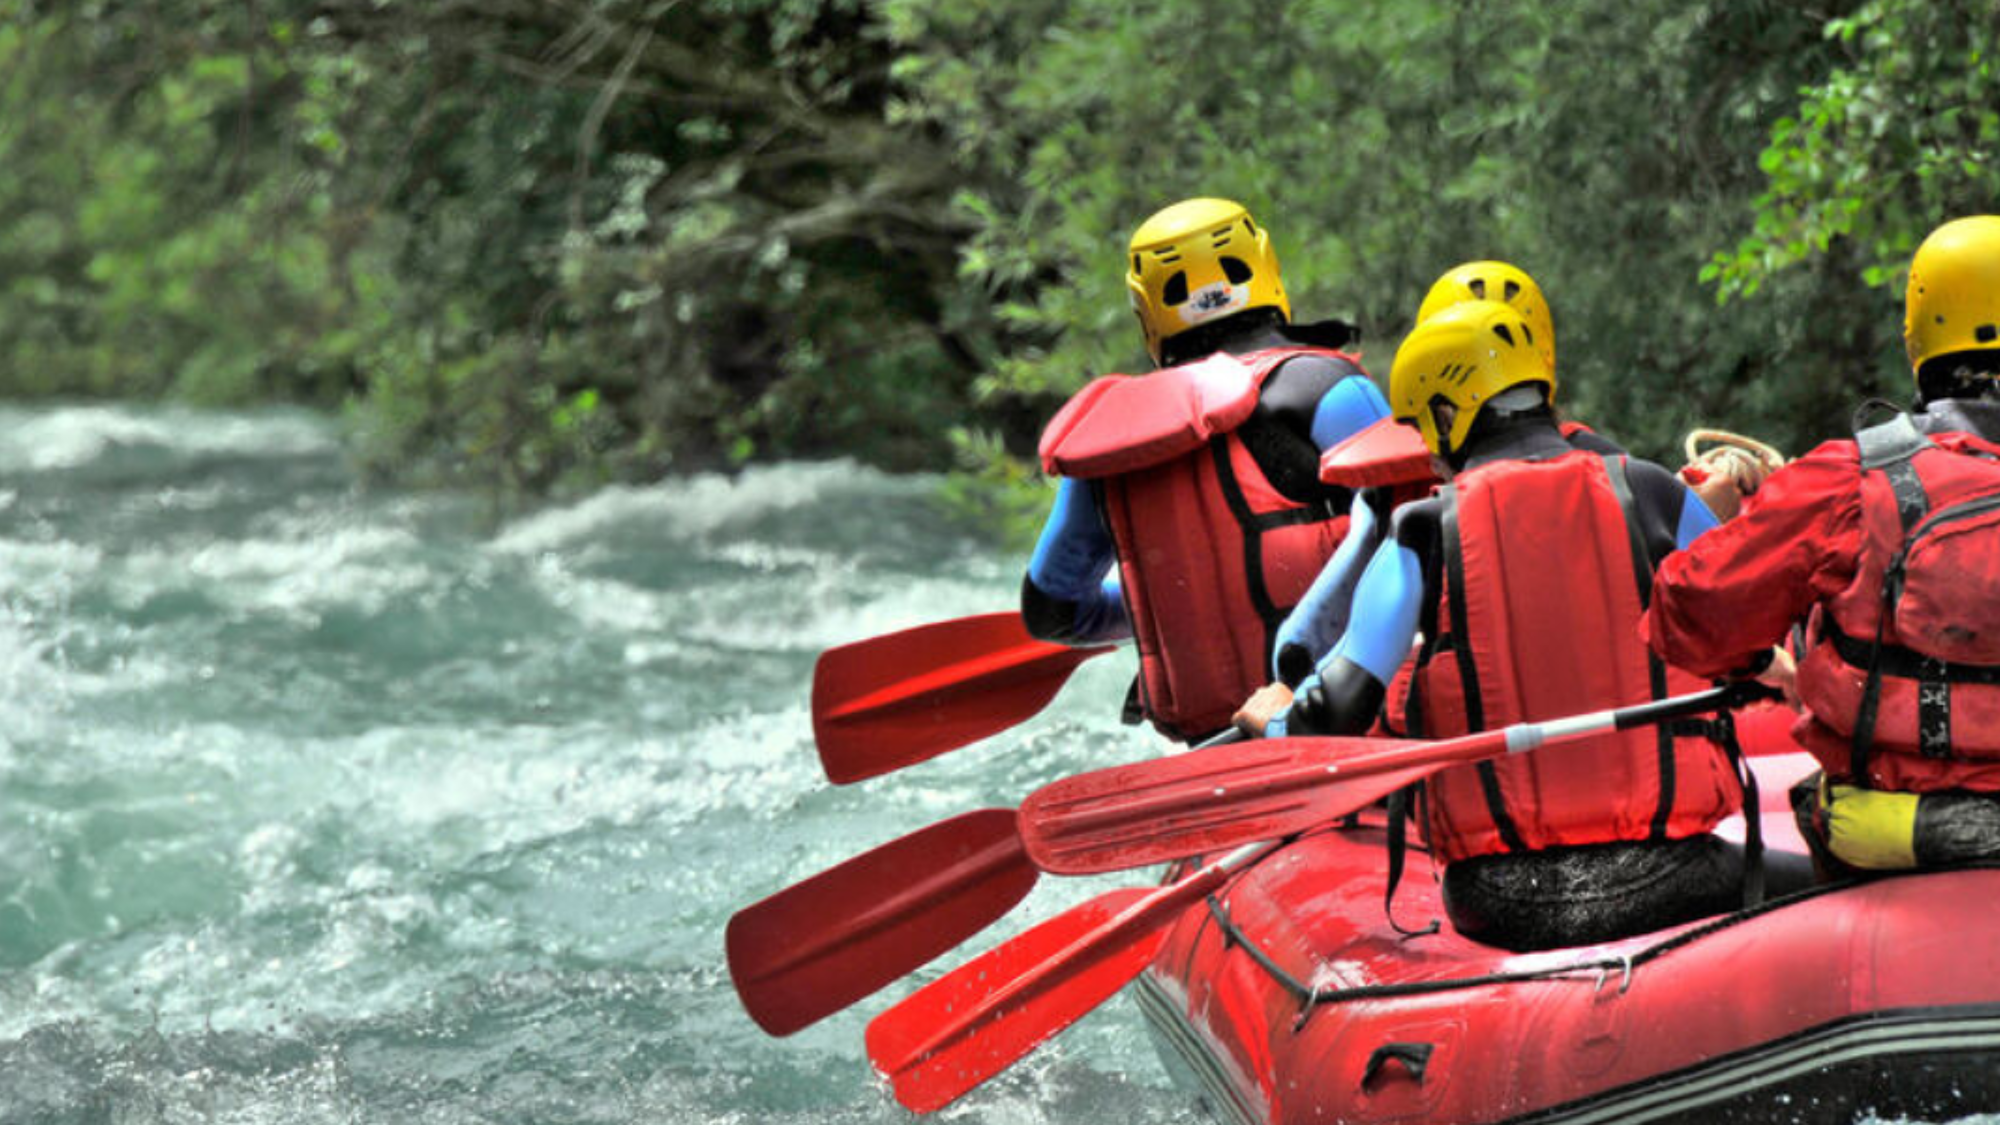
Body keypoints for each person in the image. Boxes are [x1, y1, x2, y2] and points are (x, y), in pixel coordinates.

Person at [1237, 298, 1750, 952]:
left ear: (1448, 415)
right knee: (1821, 875)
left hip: (1504, 896)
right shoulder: (1652, 492)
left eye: (1426, 428)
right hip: (1676, 871)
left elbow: (1334, 713)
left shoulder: (1421, 531)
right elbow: (1757, 619)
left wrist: (1272, 720)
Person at [1646, 215, 2000, 878]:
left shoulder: (1852, 478)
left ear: (1920, 339)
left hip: (1898, 826)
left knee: (1820, 810)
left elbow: (1687, 615)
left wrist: (1769, 652)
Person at [1022, 197, 1390, 741]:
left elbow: (1052, 612)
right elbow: (1413, 535)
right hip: (1345, 721)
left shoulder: (1107, 443)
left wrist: (1173, 601)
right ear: (1264, 267)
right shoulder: (1326, 388)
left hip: (1212, 749)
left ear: (1147, 309)